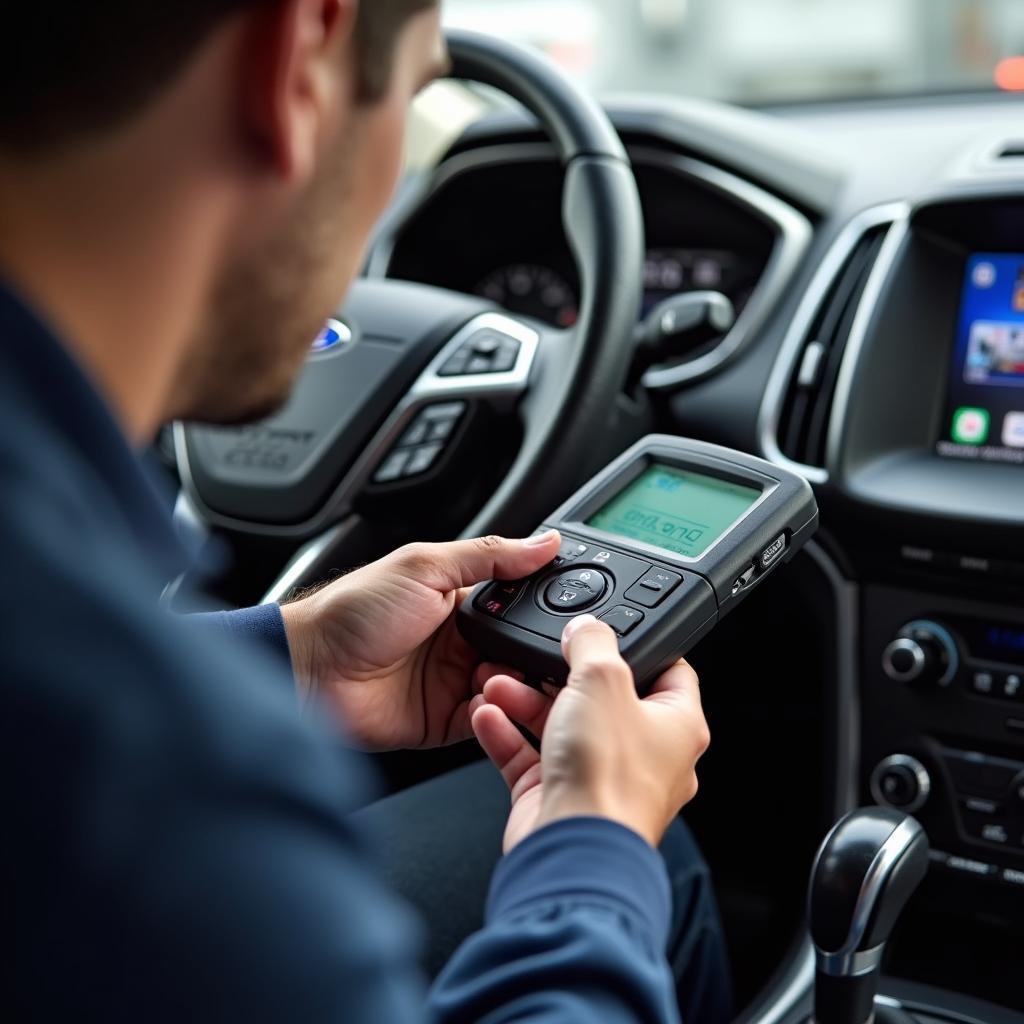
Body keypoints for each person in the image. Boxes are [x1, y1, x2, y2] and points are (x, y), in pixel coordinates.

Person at [0, 1, 731, 1021]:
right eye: (417, 92)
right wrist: (592, 845)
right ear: (297, 57)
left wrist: (291, 656)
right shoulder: (152, 771)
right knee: (660, 861)